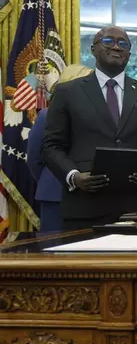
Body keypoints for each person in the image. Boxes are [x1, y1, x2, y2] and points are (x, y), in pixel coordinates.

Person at [41, 25, 137, 229]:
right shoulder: (66, 92)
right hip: (86, 206)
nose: (116, 47)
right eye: (108, 41)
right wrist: (74, 176)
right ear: (93, 49)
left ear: (129, 54)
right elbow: (50, 146)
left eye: (123, 44)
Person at [27, 65, 93, 231]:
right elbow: (35, 159)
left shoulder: (97, 115)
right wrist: (54, 179)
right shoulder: (46, 115)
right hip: (55, 196)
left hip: (90, 196)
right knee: (54, 251)